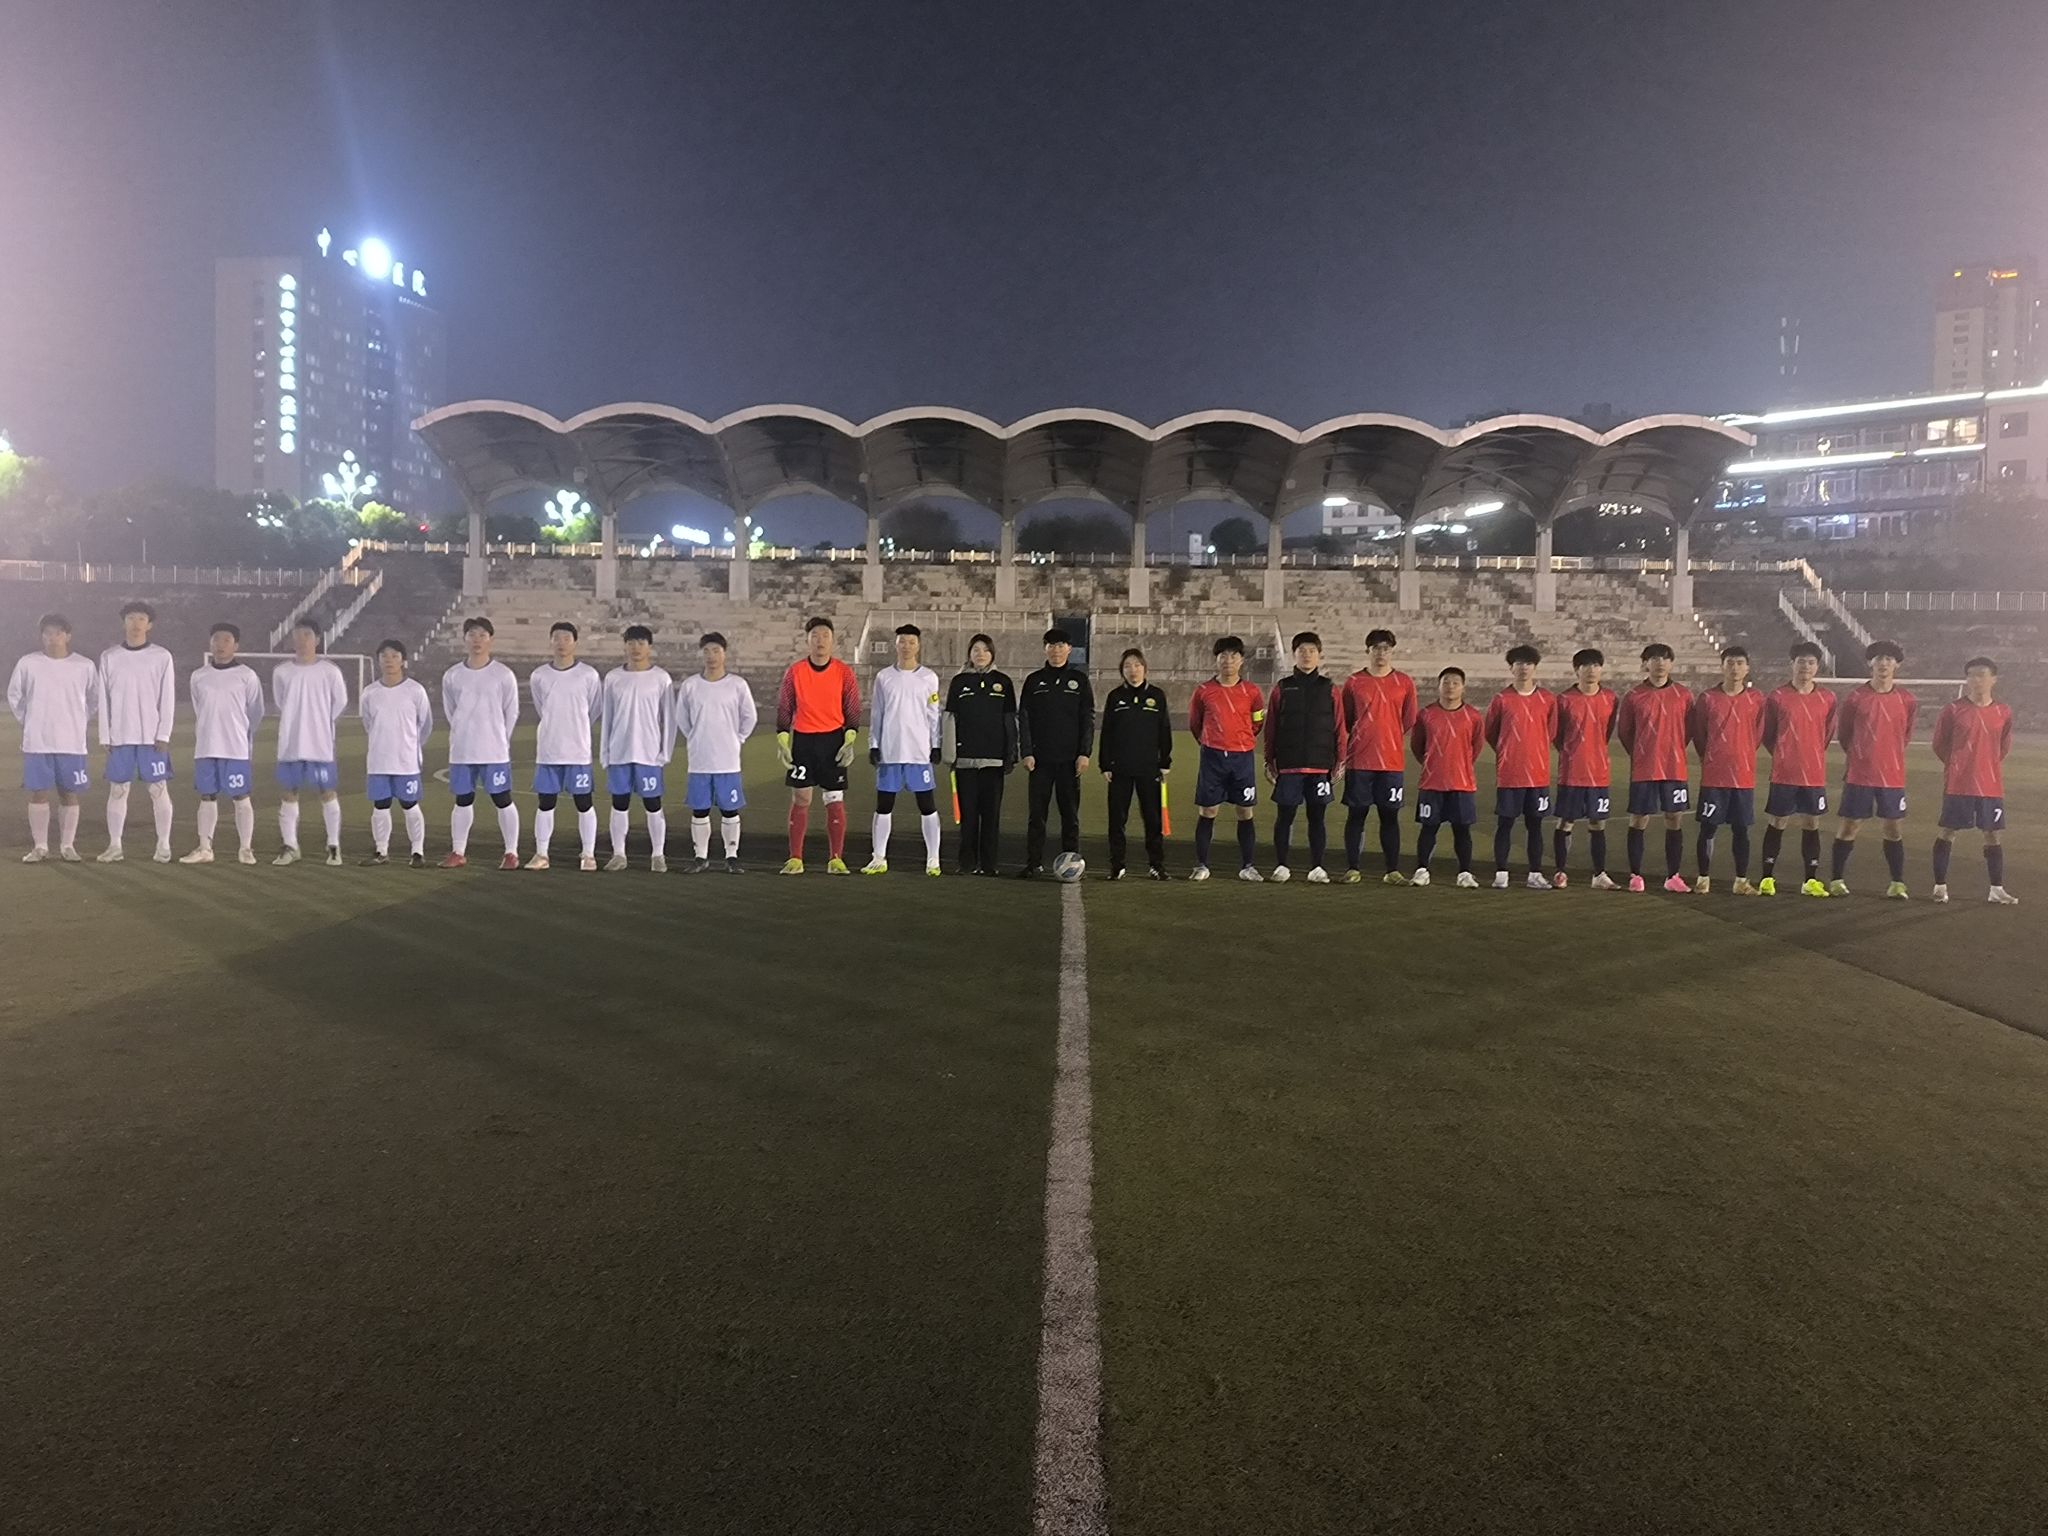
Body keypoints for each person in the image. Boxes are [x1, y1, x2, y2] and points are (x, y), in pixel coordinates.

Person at [1830, 639, 1917, 898]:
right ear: (1870, 663)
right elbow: (1845, 734)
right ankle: (1836, 879)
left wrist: (1889, 757)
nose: (1883, 664)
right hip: (1860, 774)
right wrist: (1862, 756)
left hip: (1892, 776)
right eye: (1879, 659)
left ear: (1896, 665)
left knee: (1893, 829)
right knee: (1850, 826)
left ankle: (1897, 883)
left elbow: (1905, 734)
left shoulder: (1906, 699)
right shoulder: (1856, 697)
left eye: (1889, 659)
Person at [8, 612, 96, 862]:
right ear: (42, 637)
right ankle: (40, 847)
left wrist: (77, 721)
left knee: (69, 792)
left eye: (58, 633)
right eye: (47, 633)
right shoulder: (28, 663)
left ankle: (68, 846)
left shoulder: (84, 665)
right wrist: (30, 720)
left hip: (72, 742)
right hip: (38, 741)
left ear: (68, 636)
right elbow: (14, 695)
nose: (52, 638)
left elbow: (94, 699)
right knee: (39, 793)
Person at [776, 616, 861, 875]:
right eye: (815, 636)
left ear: (833, 641)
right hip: (803, 740)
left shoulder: (844, 672)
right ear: (807, 640)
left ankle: (836, 858)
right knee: (801, 797)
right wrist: (783, 741)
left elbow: (852, 709)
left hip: (833, 740)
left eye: (825, 636)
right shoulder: (795, 671)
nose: (820, 641)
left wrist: (849, 741)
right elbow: (785, 707)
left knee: (834, 798)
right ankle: (795, 858)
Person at [96, 600, 178, 863]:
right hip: (120, 736)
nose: (136, 624)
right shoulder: (109, 657)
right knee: (118, 790)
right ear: (124, 622)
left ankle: (163, 845)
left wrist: (164, 733)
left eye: (141, 619)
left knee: (158, 789)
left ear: (149, 625)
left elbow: (168, 698)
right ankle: (115, 846)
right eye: (131, 618)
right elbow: (103, 698)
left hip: (151, 737)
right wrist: (105, 735)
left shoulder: (162, 656)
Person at [1930, 657, 2017, 905]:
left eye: (1982, 675)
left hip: (1990, 785)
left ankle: (1996, 889)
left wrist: (1985, 767)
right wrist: (1959, 765)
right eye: (1971, 675)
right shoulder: (1953, 710)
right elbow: (1939, 744)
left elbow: (2003, 747)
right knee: (1948, 831)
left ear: (1993, 679)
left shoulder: (2003, 712)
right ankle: (1940, 886)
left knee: (1993, 835)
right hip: (1959, 783)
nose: (1976, 680)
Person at [439, 617, 522, 870]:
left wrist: (500, 739)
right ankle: (458, 851)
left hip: (493, 750)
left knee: (502, 799)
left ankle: (511, 852)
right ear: (464, 639)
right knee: (463, 800)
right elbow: (451, 710)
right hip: (462, 750)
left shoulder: (503, 674)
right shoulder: (453, 675)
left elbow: (511, 711)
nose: (477, 640)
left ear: (490, 640)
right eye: (472, 634)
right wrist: (463, 732)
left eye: (482, 635)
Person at [1263, 630, 1344, 883]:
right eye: (1302, 651)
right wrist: (1269, 760)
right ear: (1294, 655)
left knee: (1317, 818)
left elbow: (1340, 727)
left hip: (1320, 766)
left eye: (1311, 651)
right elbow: (1271, 727)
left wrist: (1340, 761)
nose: (1307, 655)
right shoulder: (1282, 687)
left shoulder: (1329, 688)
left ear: (1319, 655)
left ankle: (1317, 867)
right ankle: (1282, 866)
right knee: (1285, 816)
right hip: (1289, 765)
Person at [863, 624, 944, 876]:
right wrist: (874, 744)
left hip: (919, 753)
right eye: (902, 641)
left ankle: (933, 859)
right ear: (895, 645)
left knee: (927, 805)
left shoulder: (929, 677)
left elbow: (934, 714)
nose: (906, 646)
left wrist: (936, 744)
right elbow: (877, 713)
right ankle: (879, 858)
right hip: (890, 751)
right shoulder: (884, 677)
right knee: (884, 805)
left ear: (918, 646)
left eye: (911, 642)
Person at [1758, 641, 1837, 897]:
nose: (1806, 666)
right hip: (1784, 773)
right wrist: (1785, 754)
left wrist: (1810, 755)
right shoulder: (1777, 697)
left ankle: (1810, 880)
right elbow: (1768, 733)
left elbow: (1827, 733)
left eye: (1811, 662)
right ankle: (1767, 878)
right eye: (1801, 661)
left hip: (1813, 774)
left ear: (1817, 666)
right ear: (1792, 664)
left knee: (1812, 823)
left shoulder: (1827, 698)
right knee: (1778, 821)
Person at [181, 622, 265, 864]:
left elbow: (255, 711)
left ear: (236, 645)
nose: (220, 644)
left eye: (226, 640)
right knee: (207, 796)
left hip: (235, 747)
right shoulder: (199, 676)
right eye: (216, 639)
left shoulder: (247, 676)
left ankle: (245, 848)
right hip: (206, 746)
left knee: (241, 796)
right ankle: (205, 848)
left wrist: (241, 733)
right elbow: (200, 707)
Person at [1339, 628, 1417, 885]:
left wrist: (1388, 736)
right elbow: (1346, 718)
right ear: (1368, 651)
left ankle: (1392, 871)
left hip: (1391, 762)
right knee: (1357, 815)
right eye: (1376, 648)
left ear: (1392, 651)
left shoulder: (1404, 682)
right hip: (1359, 760)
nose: (1381, 653)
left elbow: (1408, 719)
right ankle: (1353, 868)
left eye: (1386, 649)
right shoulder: (1354, 682)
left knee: (1390, 816)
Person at [270, 618, 349, 866]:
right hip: (290, 744)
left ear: (317, 639)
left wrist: (319, 724)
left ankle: (333, 846)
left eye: (307, 635)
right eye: (297, 635)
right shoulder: (282, 672)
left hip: (320, 745)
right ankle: (290, 846)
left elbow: (340, 703)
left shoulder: (330, 671)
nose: (301, 640)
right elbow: (281, 702)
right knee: (288, 794)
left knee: (327, 793)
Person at [676, 630, 757, 873]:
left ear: (724, 654)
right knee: (700, 809)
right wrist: (696, 737)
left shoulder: (737, 685)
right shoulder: (691, 685)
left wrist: (737, 739)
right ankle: (700, 857)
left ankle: (731, 857)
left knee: (729, 809)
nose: (711, 656)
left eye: (716, 651)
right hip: (699, 759)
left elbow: (749, 717)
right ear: (701, 654)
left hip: (727, 760)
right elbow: (682, 718)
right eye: (707, 651)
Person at [1617, 642, 1694, 892]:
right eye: (1654, 658)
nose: (1660, 663)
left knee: (1674, 818)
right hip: (1645, 768)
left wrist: (1672, 750)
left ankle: (1673, 876)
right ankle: (1635, 875)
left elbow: (1689, 730)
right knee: (1639, 819)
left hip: (1674, 768)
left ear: (1671, 663)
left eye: (1664, 658)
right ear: (1645, 664)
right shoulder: (1634, 696)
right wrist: (1642, 753)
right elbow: (1625, 732)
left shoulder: (1684, 695)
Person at [1188, 635, 1265, 882]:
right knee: (1208, 810)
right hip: (1213, 757)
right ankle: (1201, 865)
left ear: (1241, 660)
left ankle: (1248, 866)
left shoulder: (1252, 691)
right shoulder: (1204, 691)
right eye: (1223, 656)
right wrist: (1212, 742)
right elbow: (1195, 723)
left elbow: (1257, 722)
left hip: (1242, 758)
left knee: (1245, 811)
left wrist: (1240, 740)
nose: (1228, 660)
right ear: (1216, 659)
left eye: (1233, 655)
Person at [527, 621, 603, 872]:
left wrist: (576, 728)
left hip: (577, 751)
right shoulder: (539, 675)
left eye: (567, 638)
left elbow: (593, 709)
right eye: (557, 638)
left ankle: (588, 854)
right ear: (550, 641)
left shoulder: (588, 675)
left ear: (575, 642)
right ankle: (541, 854)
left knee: (584, 802)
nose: (561, 643)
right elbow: (541, 708)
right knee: (545, 803)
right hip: (549, 751)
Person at [1018, 627, 1093, 878]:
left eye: (1061, 645)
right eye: (1051, 646)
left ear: (1069, 649)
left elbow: (1087, 718)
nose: (1056, 651)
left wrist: (1084, 753)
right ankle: (1033, 863)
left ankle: (1073, 863)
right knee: (1037, 816)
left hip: (1070, 761)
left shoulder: (1079, 681)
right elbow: (1024, 718)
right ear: (1045, 649)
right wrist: (1027, 751)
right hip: (1040, 760)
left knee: (1070, 816)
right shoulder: (1034, 680)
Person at [1690, 645, 1765, 894]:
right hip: (1715, 776)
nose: (1735, 668)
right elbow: (1699, 734)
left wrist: (1742, 755)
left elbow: (1758, 733)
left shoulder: (1756, 699)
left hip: (1743, 776)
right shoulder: (1708, 698)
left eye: (1739, 663)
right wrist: (1712, 757)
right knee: (1708, 828)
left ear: (1747, 668)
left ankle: (1741, 881)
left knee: (1741, 829)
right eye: (1730, 663)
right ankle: (1703, 878)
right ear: (1722, 667)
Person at [600, 624, 675, 872]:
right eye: (631, 643)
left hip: (649, 753)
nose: (636, 648)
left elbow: (669, 718)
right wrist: (605, 753)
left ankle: (658, 855)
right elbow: (607, 717)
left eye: (641, 643)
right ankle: (619, 854)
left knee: (653, 804)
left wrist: (665, 752)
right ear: (624, 646)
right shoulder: (613, 678)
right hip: (619, 752)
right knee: (619, 803)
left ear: (649, 647)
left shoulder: (661, 678)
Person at [1482, 644, 1556, 890]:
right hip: (1510, 774)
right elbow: (1491, 732)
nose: (1524, 668)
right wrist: (1509, 751)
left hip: (1537, 775)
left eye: (1528, 663)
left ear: (1535, 667)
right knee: (1505, 823)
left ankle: (1535, 874)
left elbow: (1551, 731)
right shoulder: (1501, 699)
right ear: (1511, 668)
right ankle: (1501, 872)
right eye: (1519, 663)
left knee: (1535, 825)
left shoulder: (1547, 699)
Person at [943, 634, 1017, 875]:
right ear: (969, 654)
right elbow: (950, 719)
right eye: (976, 649)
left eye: (985, 650)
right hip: (965, 761)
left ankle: (989, 864)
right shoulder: (959, 682)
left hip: (994, 761)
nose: (981, 654)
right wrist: (950, 754)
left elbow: (1009, 721)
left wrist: (1010, 754)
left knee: (991, 816)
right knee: (968, 816)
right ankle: (966, 863)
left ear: (992, 653)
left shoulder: (1003, 682)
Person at [1097, 647, 1173, 880]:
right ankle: (1117, 865)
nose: (1133, 670)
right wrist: (1105, 764)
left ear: (1145, 668)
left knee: (1152, 819)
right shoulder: (1115, 696)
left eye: (1137, 665)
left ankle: (1156, 865)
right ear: (1122, 670)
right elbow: (1107, 732)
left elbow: (1164, 730)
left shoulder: (1157, 696)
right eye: (1128, 666)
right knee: (1117, 820)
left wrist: (1165, 761)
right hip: (1120, 768)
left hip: (1149, 768)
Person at [357, 639, 434, 866]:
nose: (389, 660)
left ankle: (417, 852)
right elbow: (368, 723)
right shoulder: (370, 693)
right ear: (378, 660)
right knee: (380, 806)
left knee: (410, 805)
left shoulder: (415, 691)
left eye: (394, 656)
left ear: (403, 661)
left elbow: (425, 725)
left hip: (406, 762)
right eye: (384, 656)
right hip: (378, 761)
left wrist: (411, 747)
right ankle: (381, 851)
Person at [1409, 666, 1484, 887]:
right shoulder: (1426, 714)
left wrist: (1460, 766)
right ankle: (1422, 870)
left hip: (1462, 784)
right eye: (1446, 682)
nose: (1450, 686)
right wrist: (1433, 765)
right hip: (1432, 783)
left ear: (1463, 687)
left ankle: (1465, 873)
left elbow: (1476, 747)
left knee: (1462, 830)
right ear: (1439, 686)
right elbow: (1417, 746)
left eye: (1455, 683)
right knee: (1429, 828)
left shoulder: (1472, 716)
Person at [1552, 648, 1618, 890]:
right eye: (1586, 665)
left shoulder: (1610, 698)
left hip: (1599, 772)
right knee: (1566, 822)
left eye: (1596, 665)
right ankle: (1560, 872)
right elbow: (1557, 735)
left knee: (1598, 823)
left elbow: (1607, 731)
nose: (1591, 670)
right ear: (1576, 670)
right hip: (1572, 771)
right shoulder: (1564, 700)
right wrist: (1572, 751)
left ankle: (1599, 875)